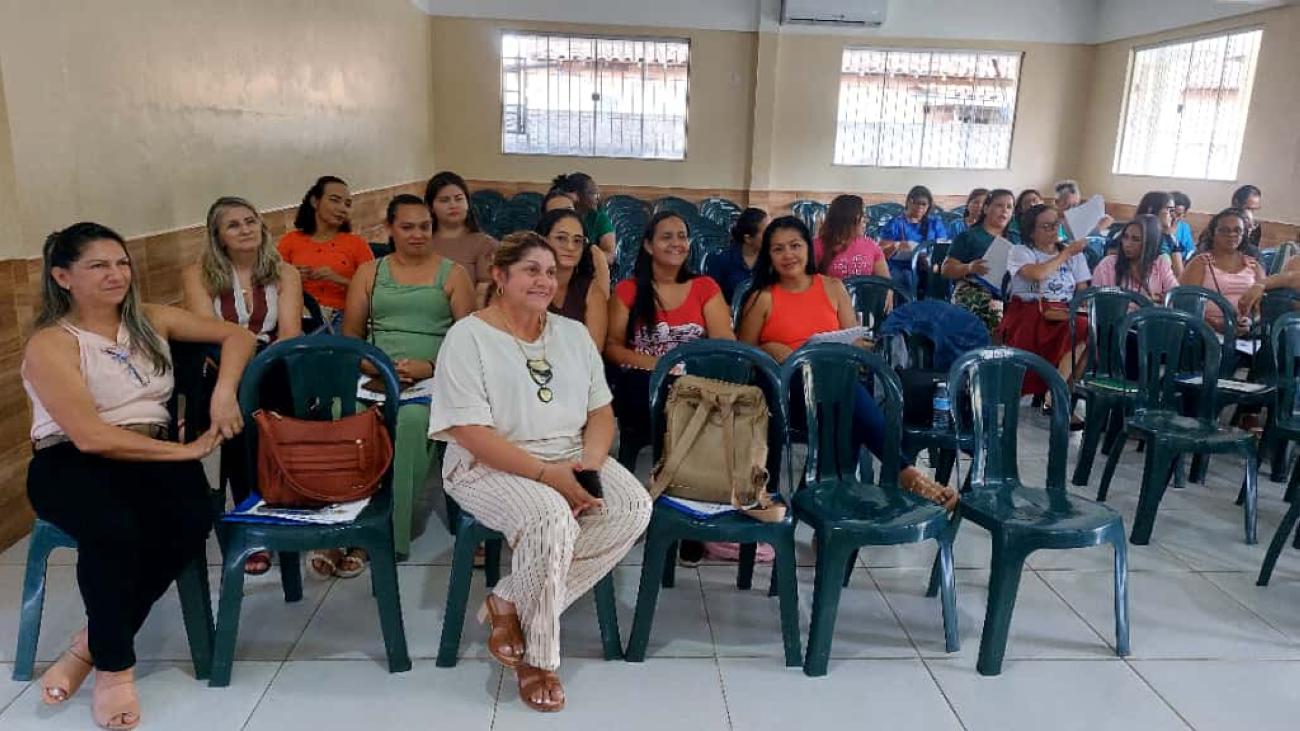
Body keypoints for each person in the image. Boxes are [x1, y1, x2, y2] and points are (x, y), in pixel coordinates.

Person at [24, 222, 257, 730]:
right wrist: (184, 451)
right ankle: (114, 670)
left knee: (192, 518)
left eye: (122, 263)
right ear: (63, 277)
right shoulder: (52, 343)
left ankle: (89, 645)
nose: (116, 274)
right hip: (71, 460)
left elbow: (237, 335)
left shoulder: (150, 318)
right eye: (98, 266)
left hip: (150, 454)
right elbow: (90, 437)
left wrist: (224, 394)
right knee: (113, 530)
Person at [429, 232, 651, 713]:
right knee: (551, 519)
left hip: (571, 452)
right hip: (488, 463)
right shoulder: (468, 337)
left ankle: (507, 599)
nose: (544, 281)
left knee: (633, 507)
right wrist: (550, 477)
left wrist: (588, 467)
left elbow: (601, 412)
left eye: (550, 272)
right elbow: (469, 431)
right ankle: (539, 659)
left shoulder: (572, 334)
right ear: (500, 275)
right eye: (531, 270)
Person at [737, 216, 957, 507]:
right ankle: (904, 472)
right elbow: (743, 356)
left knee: (843, 394)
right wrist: (768, 348)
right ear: (769, 255)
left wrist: (853, 346)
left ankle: (843, 494)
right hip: (786, 392)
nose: (788, 255)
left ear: (808, 248)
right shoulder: (762, 297)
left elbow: (853, 342)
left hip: (834, 382)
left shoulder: (833, 287)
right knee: (846, 398)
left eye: (795, 245)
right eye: (778, 249)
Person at [337, 194, 475, 567]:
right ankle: (345, 523)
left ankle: (386, 534)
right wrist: (372, 364)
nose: (417, 235)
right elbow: (351, 335)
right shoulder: (370, 273)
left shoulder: (453, 274)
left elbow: (468, 341)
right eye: (407, 227)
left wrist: (429, 366)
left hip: (433, 376)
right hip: (374, 372)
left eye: (424, 227)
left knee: (412, 420)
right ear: (390, 229)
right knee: (341, 412)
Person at [181, 196, 304, 576]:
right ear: (218, 236)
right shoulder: (198, 275)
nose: (246, 229)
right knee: (237, 420)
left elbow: (289, 334)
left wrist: (255, 366)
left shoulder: (285, 273)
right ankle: (252, 520)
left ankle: (276, 509)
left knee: (263, 413)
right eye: (233, 225)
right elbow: (207, 331)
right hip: (220, 369)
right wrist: (235, 372)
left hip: (271, 366)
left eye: (251, 221)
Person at [605, 211, 733, 567]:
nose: (677, 243)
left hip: (694, 386)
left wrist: (685, 369)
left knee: (696, 407)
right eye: (666, 236)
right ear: (648, 245)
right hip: (643, 386)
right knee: (680, 410)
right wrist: (661, 366)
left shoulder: (705, 287)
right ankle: (676, 512)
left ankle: (675, 509)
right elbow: (612, 347)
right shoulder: (629, 290)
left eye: (682, 236)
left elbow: (723, 343)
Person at [999, 203, 1092, 422]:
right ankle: (1058, 397)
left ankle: (1057, 395)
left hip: (1064, 311)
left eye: (1056, 225)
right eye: (1046, 226)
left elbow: (1083, 290)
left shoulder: (1073, 254)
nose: (1054, 230)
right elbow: (1037, 274)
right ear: (1032, 231)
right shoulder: (1020, 251)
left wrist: (1081, 306)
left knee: (1088, 330)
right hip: (1030, 310)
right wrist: (1066, 253)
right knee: (1079, 328)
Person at [276, 176, 373, 327]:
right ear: (315, 202)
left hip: (342, 317)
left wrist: (338, 279)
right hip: (298, 314)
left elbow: (374, 289)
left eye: (347, 204)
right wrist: (292, 277)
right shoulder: (290, 241)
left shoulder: (356, 244)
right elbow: (270, 284)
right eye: (335, 200)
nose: (342, 209)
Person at [942, 188, 1016, 334]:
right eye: (999, 205)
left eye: (1009, 207)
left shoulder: (1016, 239)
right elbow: (946, 269)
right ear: (986, 208)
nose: (1004, 211)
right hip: (975, 291)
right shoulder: (968, 237)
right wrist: (969, 268)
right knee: (991, 309)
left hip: (1010, 292)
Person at [1181, 208, 1266, 333]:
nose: (1231, 235)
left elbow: (1262, 308)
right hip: (1205, 332)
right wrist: (1215, 324)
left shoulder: (1253, 265)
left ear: (1244, 234)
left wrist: (1250, 322)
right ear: (1213, 233)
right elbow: (1185, 305)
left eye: (1237, 230)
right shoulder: (1200, 263)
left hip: (1245, 334)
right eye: (1224, 230)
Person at [537, 208, 608, 349]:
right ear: (543, 241)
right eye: (561, 238)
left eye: (577, 241)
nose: (570, 247)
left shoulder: (591, 291)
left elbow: (592, 353)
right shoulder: (525, 284)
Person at [424, 171, 499, 306]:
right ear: (431, 207)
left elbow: (484, 293)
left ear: (468, 203)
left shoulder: (485, 244)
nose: (453, 205)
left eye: (459, 199)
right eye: (444, 200)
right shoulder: (422, 242)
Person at [879, 185, 950, 293]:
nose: (920, 207)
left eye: (924, 204)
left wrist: (930, 261)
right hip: (901, 266)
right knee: (906, 277)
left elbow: (943, 247)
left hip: (928, 264)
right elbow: (881, 252)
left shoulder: (934, 223)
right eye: (917, 203)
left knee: (942, 275)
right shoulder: (895, 223)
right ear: (909, 202)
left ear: (928, 206)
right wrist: (897, 245)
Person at [1091, 214, 1178, 301]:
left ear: (1149, 243)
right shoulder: (1107, 265)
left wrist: (1155, 298)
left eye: (1135, 239)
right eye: (1125, 237)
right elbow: (1093, 300)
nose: (1127, 244)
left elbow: (1176, 297)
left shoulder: (1160, 265)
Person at [812, 194, 890, 281]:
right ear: (848, 218)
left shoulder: (872, 246)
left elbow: (886, 284)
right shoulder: (817, 247)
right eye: (863, 216)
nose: (866, 220)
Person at [705, 207, 768, 304]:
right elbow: (709, 298)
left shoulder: (771, 259)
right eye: (766, 233)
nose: (772, 236)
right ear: (748, 239)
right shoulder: (721, 260)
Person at [552, 172, 616, 255]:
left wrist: (586, 258)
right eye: (593, 194)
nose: (597, 198)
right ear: (576, 195)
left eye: (598, 194)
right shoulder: (558, 213)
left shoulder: (598, 216)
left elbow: (610, 254)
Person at [1134, 191, 1185, 277]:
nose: (1173, 215)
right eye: (1169, 210)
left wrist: (1171, 238)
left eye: (1173, 210)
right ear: (1151, 210)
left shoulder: (1170, 239)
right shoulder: (1131, 234)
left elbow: (1180, 276)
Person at [1231, 184, 1263, 255]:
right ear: (1236, 204)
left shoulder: (1254, 227)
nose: (1250, 215)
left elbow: (1252, 253)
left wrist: (1248, 234)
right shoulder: (1221, 223)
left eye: (1254, 210)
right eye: (1247, 208)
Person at [1170, 191, 1197, 263]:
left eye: (1178, 215)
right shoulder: (1157, 227)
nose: (1174, 218)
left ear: (1184, 214)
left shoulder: (1185, 227)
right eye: (1171, 213)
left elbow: (1190, 250)